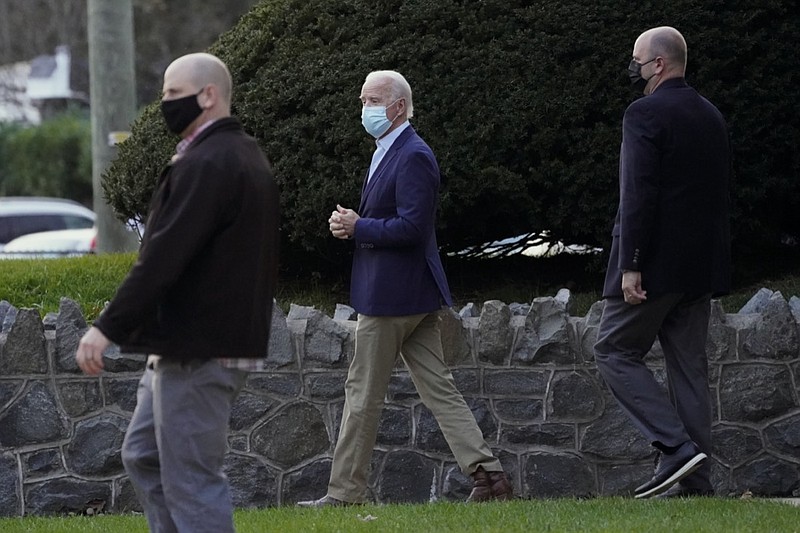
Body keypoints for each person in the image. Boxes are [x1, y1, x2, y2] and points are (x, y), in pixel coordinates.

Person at [75, 52, 280, 532]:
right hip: (192, 345)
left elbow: (163, 257)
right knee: (144, 455)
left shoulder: (212, 162)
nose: (164, 103)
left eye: (171, 93)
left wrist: (106, 328)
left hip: (199, 350)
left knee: (192, 479)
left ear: (207, 95)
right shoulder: (233, 155)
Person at [298, 70, 512, 507]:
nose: (365, 109)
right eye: (362, 101)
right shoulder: (389, 150)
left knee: (362, 394)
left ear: (398, 106)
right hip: (411, 295)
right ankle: (490, 478)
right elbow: (394, 220)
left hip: (392, 298)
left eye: (373, 100)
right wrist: (353, 226)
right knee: (439, 388)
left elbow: (413, 227)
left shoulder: (413, 154)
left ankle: (344, 494)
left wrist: (360, 227)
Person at [594, 27, 731, 499]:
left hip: (652, 267)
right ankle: (696, 482)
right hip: (699, 269)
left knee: (612, 349)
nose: (632, 68)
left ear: (658, 64)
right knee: (689, 368)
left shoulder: (644, 113)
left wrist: (631, 263)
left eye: (637, 60)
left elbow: (638, 194)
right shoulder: (711, 115)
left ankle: (674, 447)